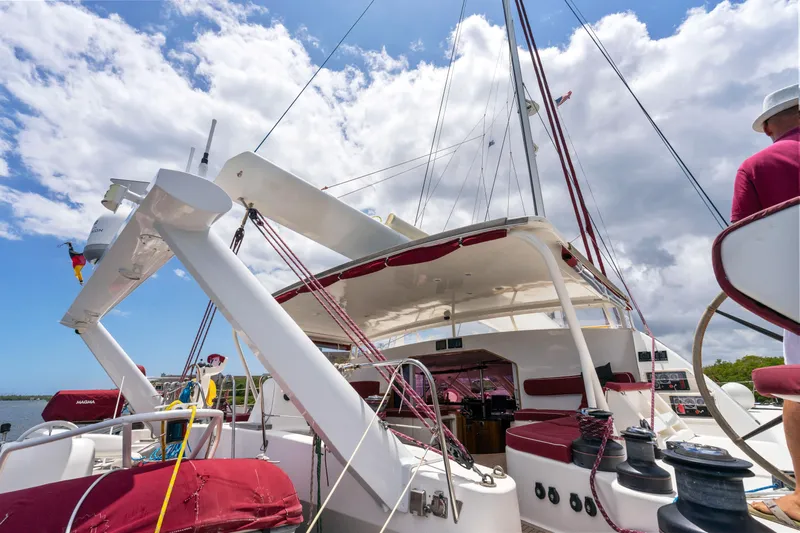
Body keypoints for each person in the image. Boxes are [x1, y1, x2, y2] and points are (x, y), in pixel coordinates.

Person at [732, 84, 800, 528]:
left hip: (796, 298)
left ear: (773, 123)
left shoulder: (759, 166)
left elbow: (742, 246)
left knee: (798, 392)